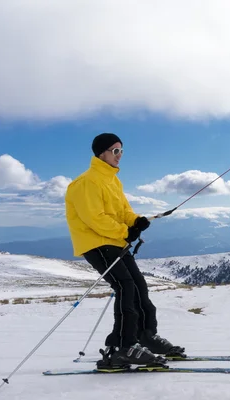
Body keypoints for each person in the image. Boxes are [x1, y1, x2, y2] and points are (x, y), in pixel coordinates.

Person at [64, 133, 185, 368]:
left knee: (138, 286)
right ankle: (122, 347)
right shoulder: (86, 182)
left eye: (121, 151)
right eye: (115, 151)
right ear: (101, 153)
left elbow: (123, 212)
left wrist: (136, 221)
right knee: (124, 287)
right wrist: (124, 231)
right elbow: (94, 218)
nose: (120, 155)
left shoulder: (112, 180)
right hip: (96, 243)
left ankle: (144, 337)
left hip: (115, 242)